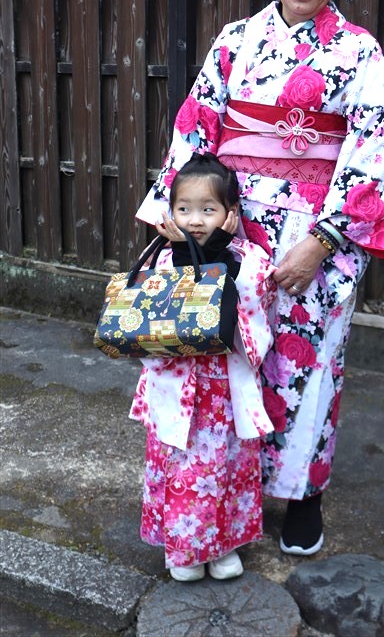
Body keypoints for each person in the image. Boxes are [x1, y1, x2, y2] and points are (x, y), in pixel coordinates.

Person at [137, 0, 384, 558]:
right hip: (230, 232)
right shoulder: (236, 40)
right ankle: (237, 493)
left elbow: (373, 153)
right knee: (232, 364)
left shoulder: (358, 53)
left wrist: (323, 242)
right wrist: (177, 214)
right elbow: (197, 128)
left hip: (314, 235)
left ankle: (303, 495)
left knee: (308, 367)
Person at [130, 153, 276, 581]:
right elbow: (154, 322)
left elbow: (256, 308)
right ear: (170, 212)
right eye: (184, 209)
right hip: (179, 391)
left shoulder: (249, 260)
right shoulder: (162, 258)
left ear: (231, 213)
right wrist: (188, 258)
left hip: (224, 390)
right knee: (181, 469)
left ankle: (224, 546)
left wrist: (217, 259)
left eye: (208, 209)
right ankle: (185, 550)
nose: (195, 220)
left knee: (225, 468)